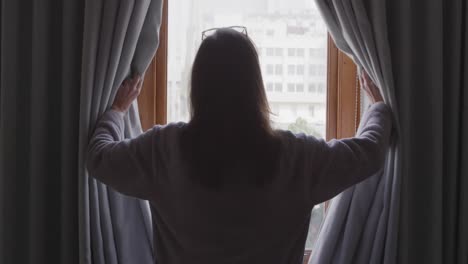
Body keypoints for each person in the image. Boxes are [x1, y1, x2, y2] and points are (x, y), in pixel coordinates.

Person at [87, 28, 391, 264]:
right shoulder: (297, 157)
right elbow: (370, 152)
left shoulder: (164, 150)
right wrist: (378, 105)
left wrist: (117, 110)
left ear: (198, 87)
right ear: (254, 86)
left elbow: (98, 157)